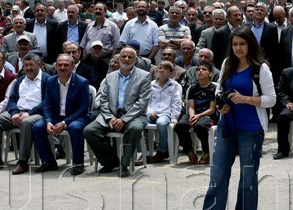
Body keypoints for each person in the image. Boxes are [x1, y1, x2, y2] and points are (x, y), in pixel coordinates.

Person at [192, 30, 276, 210]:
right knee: (218, 172)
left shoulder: (260, 68)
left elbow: (272, 99)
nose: (238, 48)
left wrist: (247, 99)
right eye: (235, 44)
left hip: (252, 128)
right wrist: (221, 106)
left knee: (248, 174)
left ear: (250, 45)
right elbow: (219, 90)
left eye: (242, 44)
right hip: (226, 126)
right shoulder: (227, 63)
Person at [84, 47, 152, 176]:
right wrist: (109, 117)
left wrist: (124, 119)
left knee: (135, 128)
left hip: (134, 116)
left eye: (130, 57)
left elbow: (142, 102)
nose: (126, 59)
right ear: (119, 58)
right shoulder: (110, 76)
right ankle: (110, 161)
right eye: (123, 56)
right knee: (89, 131)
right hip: (111, 115)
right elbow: (103, 99)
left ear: (135, 59)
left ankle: (124, 164)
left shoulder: (144, 76)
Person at [32, 53, 93, 175]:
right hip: (56, 116)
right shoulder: (50, 81)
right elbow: (47, 105)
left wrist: (64, 123)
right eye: (59, 65)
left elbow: (83, 109)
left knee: (74, 127)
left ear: (72, 67)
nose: (62, 67)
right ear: (55, 66)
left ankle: (78, 164)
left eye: (66, 65)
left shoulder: (82, 82)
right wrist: (48, 121)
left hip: (78, 117)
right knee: (37, 127)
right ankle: (49, 162)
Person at [175, 63, 218, 165]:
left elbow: (212, 109)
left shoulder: (213, 88)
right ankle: (189, 151)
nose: (200, 71)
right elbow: (190, 107)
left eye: (204, 69)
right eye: (198, 69)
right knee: (180, 125)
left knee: (200, 126)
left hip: (208, 115)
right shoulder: (193, 88)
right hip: (194, 113)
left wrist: (198, 116)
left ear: (210, 73)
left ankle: (206, 152)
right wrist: (192, 116)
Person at [272, 47, 293, 160]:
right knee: (282, 117)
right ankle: (283, 150)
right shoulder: (287, 72)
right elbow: (279, 90)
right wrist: (287, 102)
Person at [145, 61, 183, 162]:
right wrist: (150, 112)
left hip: (166, 113)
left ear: (170, 73)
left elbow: (176, 103)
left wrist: (174, 117)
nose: (161, 70)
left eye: (164, 69)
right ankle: (146, 152)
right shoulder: (150, 85)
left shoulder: (175, 86)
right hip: (151, 112)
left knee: (161, 123)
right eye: (160, 68)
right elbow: (146, 102)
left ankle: (162, 150)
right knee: (140, 123)